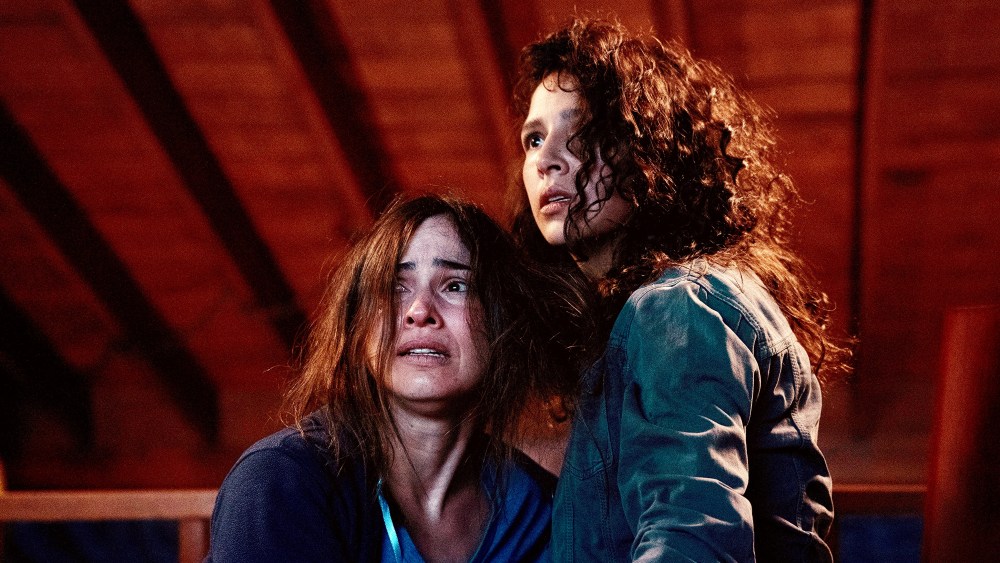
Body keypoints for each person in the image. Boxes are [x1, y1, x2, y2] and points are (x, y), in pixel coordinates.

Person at [510, 16, 851, 562]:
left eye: (581, 133)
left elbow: (691, 539)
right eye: (533, 138)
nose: (545, 159)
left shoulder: (678, 305)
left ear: (648, 150)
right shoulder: (684, 303)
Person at [207, 194, 587, 562]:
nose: (419, 311)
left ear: (504, 321)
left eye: (455, 285)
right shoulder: (279, 483)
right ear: (358, 327)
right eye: (394, 288)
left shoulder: (540, 506)